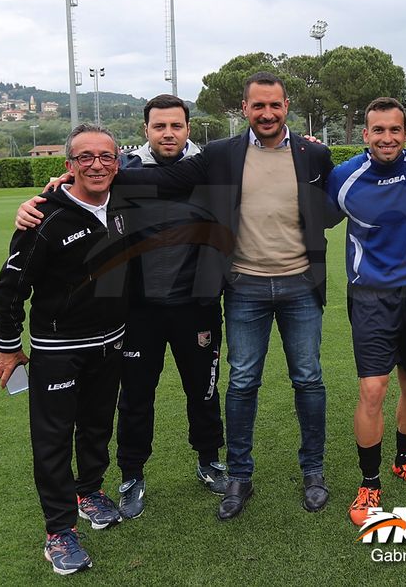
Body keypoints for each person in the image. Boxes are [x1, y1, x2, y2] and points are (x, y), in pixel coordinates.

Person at [108, 72, 337, 520]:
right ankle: (237, 475)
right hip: (241, 288)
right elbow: (164, 180)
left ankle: (312, 471)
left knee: (308, 379)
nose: (266, 113)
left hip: (298, 286)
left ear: (286, 105)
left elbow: (339, 197)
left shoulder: (316, 153)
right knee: (241, 382)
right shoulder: (220, 155)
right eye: (257, 106)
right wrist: (79, 179)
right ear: (244, 109)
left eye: (274, 105)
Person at [16, 95, 228, 519]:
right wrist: (43, 197)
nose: (168, 133)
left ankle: (208, 460)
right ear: (145, 130)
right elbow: (80, 185)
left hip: (196, 305)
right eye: (159, 127)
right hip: (138, 310)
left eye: (177, 126)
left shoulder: (214, 169)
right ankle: (132, 472)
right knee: (134, 397)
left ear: (188, 128)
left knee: (202, 390)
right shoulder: (120, 171)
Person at [0, 124, 130, 575]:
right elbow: (9, 290)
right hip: (58, 348)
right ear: (68, 166)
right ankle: (58, 532)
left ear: (118, 162)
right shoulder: (43, 216)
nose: (97, 165)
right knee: (52, 440)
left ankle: (89, 492)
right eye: (85, 157)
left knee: (96, 425)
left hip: (110, 342)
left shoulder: (125, 205)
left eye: (105, 156)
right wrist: (9, 348)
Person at [326, 97, 406, 526]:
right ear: (365, 135)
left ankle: (405, 460)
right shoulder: (344, 177)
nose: (387, 138)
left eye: (395, 130)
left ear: (405, 132)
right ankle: (370, 482)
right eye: (379, 130)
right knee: (373, 390)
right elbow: (312, 216)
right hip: (371, 296)